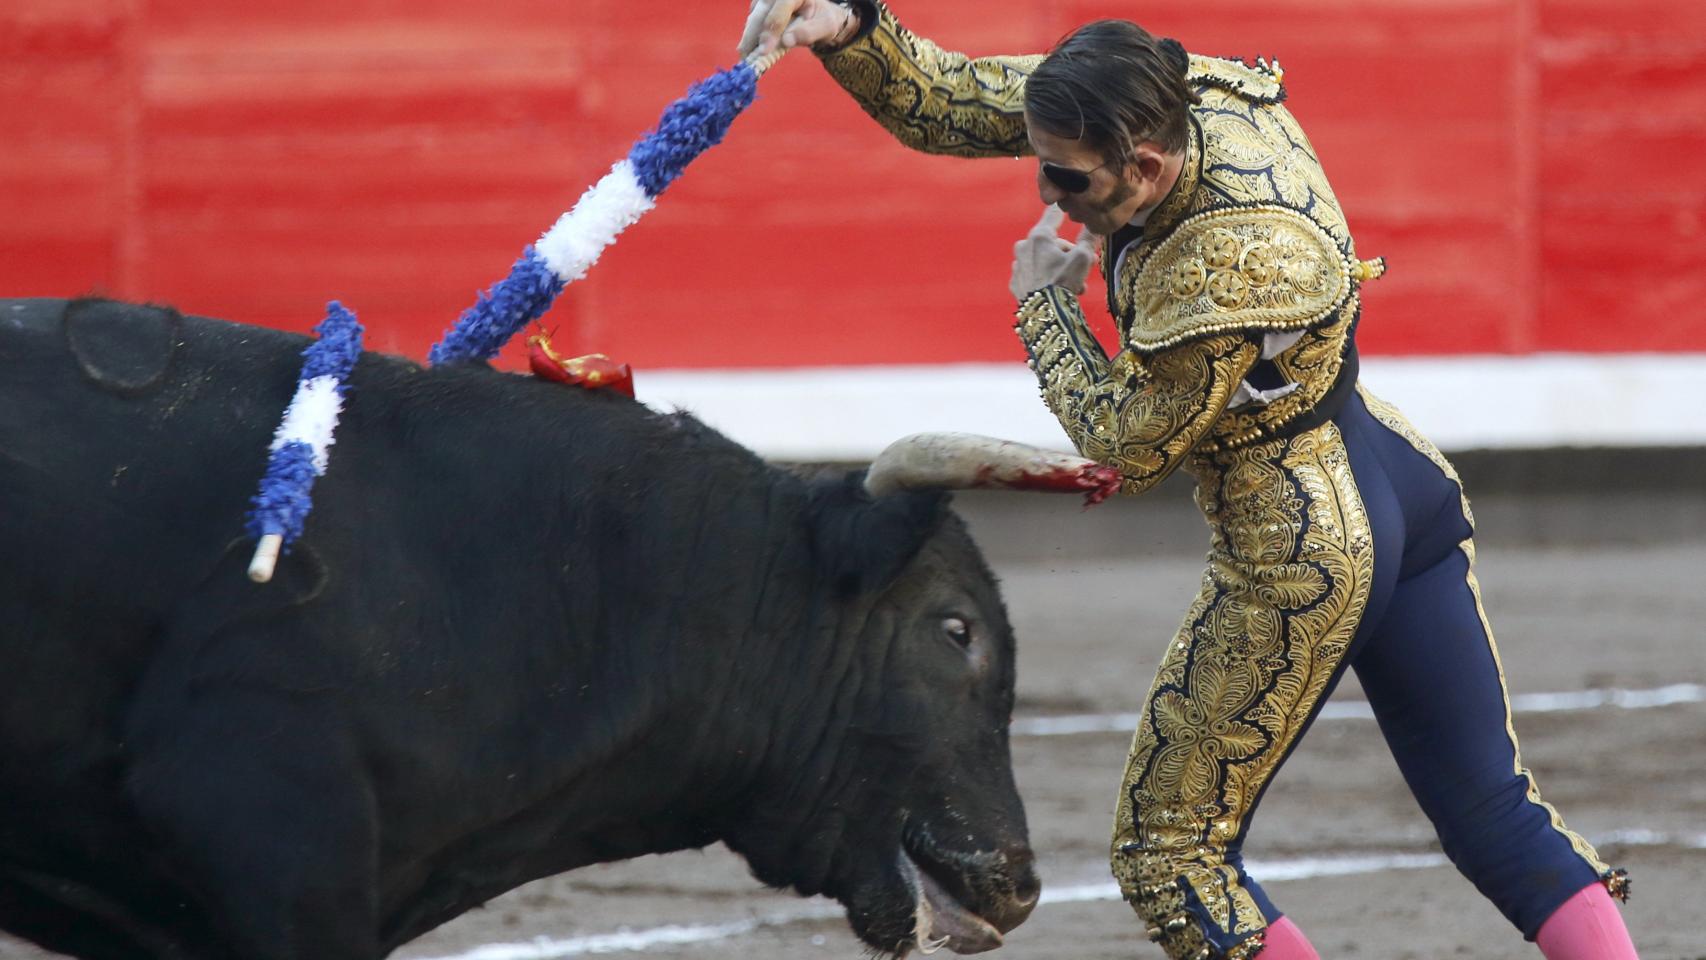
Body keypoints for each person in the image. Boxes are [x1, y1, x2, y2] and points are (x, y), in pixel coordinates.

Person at [737, 3, 1641, 959]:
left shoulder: (1225, 263)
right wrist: (846, 29)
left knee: (1171, 856)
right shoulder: (1177, 94)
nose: (1047, 186)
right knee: (1489, 805)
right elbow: (955, 101)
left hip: (1306, 536)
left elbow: (1126, 447)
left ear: (1148, 168)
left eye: (1066, 176)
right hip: (1390, 471)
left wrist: (1045, 304)